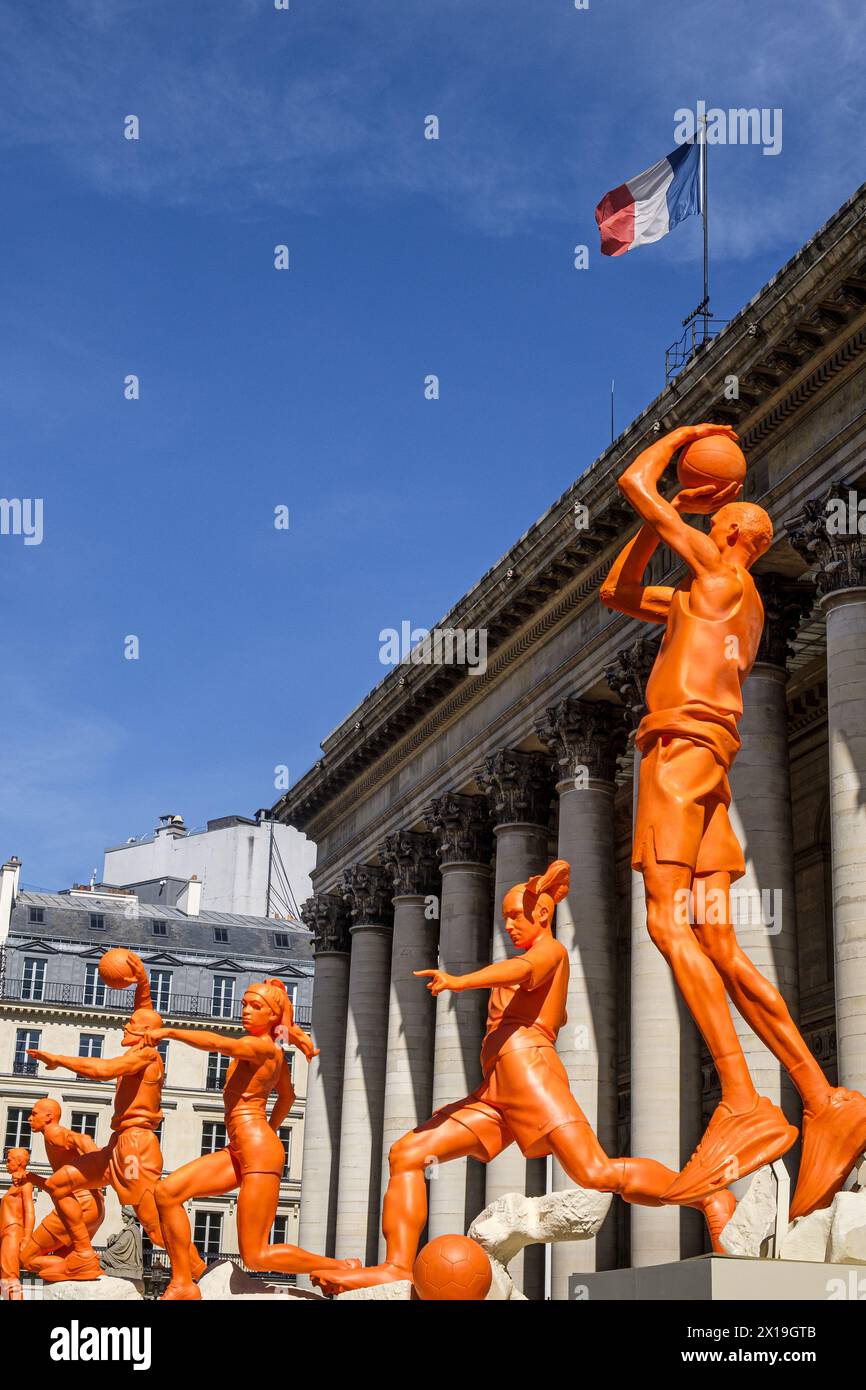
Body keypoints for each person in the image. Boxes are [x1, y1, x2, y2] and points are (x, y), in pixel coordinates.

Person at [601, 421, 866, 1215]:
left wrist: (676, 444)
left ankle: (745, 1096)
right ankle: (824, 1098)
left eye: (713, 522)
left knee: (667, 926)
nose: (706, 528)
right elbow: (616, 593)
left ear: (732, 535)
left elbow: (633, 490)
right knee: (719, 940)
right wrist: (663, 518)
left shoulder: (719, 573)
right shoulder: (725, 603)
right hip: (712, 765)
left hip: (677, 754)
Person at [312, 861, 734, 1294]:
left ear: (543, 915)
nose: (510, 924)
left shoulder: (550, 952)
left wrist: (460, 981)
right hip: (496, 1091)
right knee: (407, 1153)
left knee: (596, 1172)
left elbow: (522, 972)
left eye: (517, 916)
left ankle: (706, 1195)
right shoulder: (534, 961)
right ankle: (399, 1266)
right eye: (507, 917)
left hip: (532, 1076)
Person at [142, 977, 360, 1299]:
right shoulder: (275, 1052)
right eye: (244, 1003)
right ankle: (183, 1281)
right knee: (167, 1192)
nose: (245, 1010)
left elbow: (216, 1043)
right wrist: (269, 1130)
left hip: (255, 1151)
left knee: (255, 1254)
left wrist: (168, 1031)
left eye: (255, 1006)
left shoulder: (259, 1047)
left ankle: (340, 1266)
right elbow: (287, 1096)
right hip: (243, 1147)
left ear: (272, 1015)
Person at [27, 950, 204, 1281]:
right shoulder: (142, 1044)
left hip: (135, 1147)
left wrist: (60, 1060)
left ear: (145, 1034)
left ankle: (198, 1274)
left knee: (152, 1223)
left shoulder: (147, 1056)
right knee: (59, 1183)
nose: (128, 1022)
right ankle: (83, 1256)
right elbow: (145, 1011)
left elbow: (101, 1068)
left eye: (133, 1024)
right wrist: (143, 983)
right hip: (117, 1147)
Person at [19, 1098, 106, 1282]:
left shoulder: (53, 1132)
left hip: (78, 1205)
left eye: (34, 1113)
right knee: (66, 1260)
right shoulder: (51, 1136)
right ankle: (83, 1269)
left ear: (49, 1117)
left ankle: (86, 1264)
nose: (29, 1118)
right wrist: (31, 1177)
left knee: (27, 1258)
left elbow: (82, 1138)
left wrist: (97, 1162)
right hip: (95, 1208)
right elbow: (53, 1186)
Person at [1, 1148, 34, 1300]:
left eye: (9, 1160)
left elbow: (29, 1212)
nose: (6, 1163)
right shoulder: (14, 1185)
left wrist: (27, 1237)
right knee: (5, 1274)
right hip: (6, 1232)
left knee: (9, 1274)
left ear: (19, 1161)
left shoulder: (25, 1184)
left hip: (13, 1232)